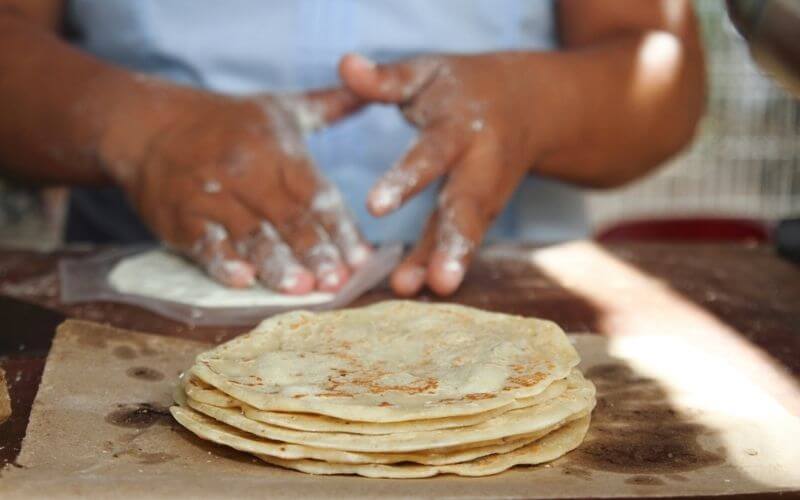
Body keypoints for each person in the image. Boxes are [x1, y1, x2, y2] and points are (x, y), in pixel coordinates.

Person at [0, 1, 705, 297]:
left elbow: (664, 77)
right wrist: (133, 124)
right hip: (135, 311)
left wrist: (537, 102)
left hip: (498, 294)